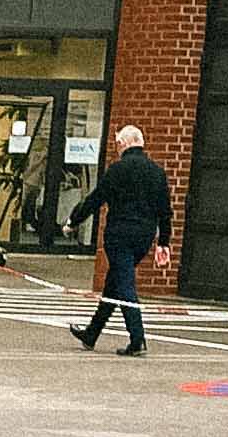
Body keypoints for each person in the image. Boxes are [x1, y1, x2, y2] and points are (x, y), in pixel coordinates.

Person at [68, 124, 172, 353]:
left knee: (124, 284)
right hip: (144, 236)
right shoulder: (157, 172)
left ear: (123, 144)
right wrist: (163, 242)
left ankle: (137, 339)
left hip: (119, 235)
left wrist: (73, 222)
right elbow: (165, 210)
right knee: (114, 283)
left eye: (117, 144)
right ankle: (92, 333)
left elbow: (96, 199)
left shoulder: (118, 170)